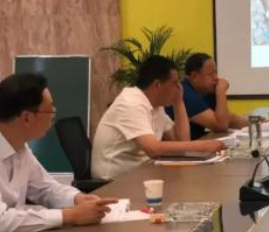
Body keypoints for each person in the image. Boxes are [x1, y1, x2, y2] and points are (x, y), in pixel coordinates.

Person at [0, 73, 118, 232]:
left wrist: (77, 199)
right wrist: (70, 215)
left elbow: (46, 188)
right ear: (27, 118)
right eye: (50, 111)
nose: (53, 117)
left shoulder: (18, 144)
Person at [92, 55, 224, 181]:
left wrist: (178, 102)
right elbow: (153, 149)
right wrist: (202, 146)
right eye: (174, 83)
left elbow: (182, 141)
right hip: (113, 182)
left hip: (141, 174)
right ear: (158, 85)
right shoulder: (131, 103)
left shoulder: (156, 106)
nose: (179, 88)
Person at [166, 53, 248, 140]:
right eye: (211, 74)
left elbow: (228, 118)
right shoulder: (186, 93)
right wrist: (221, 92)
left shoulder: (206, 91)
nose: (216, 78)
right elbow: (221, 125)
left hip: (197, 142)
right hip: (181, 146)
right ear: (194, 76)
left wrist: (254, 124)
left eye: (215, 73)